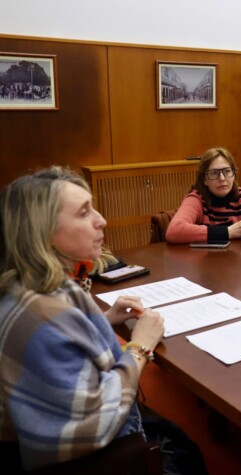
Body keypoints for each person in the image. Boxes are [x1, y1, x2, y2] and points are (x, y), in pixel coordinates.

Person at [0, 167, 166, 470]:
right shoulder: (42, 313)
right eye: (83, 212)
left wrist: (104, 318)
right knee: (188, 452)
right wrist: (140, 347)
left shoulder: (27, 288)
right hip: (97, 455)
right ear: (42, 231)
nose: (101, 220)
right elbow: (94, 421)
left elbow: (60, 340)